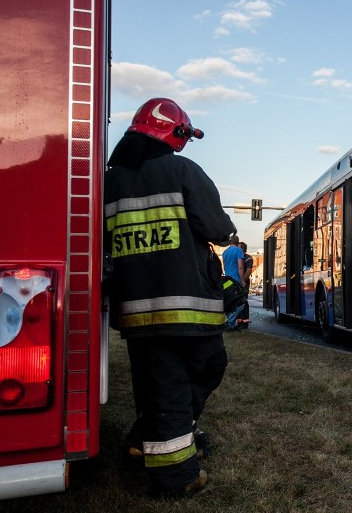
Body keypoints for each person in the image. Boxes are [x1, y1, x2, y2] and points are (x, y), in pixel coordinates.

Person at [104, 97, 236, 498]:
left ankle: (144, 439)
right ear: (174, 133)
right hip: (187, 307)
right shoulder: (182, 170)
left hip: (135, 310)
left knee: (165, 381)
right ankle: (175, 478)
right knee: (191, 375)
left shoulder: (106, 182)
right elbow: (217, 227)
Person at [221, 235, 246, 329]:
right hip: (236, 280)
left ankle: (228, 321)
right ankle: (230, 323)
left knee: (230, 302)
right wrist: (242, 280)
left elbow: (224, 266)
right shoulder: (239, 251)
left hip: (227, 280)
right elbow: (240, 267)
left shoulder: (225, 252)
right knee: (241, 302)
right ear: (237, 242)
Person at [237, 242, 254, 327]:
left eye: (238, 247)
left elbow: (248, 270)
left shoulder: (248, 258)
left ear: (242, 249)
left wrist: (243, 281)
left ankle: (245, 322)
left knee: (243, 300)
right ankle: (239, 321)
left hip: (244, 283)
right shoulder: (240, 257)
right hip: (238, 282)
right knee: (238, 301)